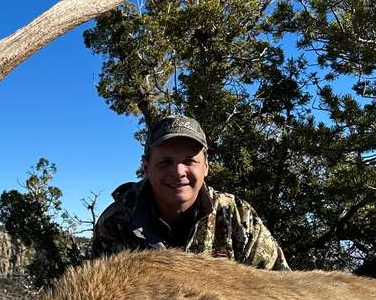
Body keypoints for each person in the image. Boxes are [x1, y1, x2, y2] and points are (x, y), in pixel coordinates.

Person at [91, 114, 289, 269]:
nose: (178, 172)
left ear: (206, 166)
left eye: (189, 161)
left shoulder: (238, 215)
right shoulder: (115, 222)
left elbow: (276, 287)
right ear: (146, 167)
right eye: (165, 162)